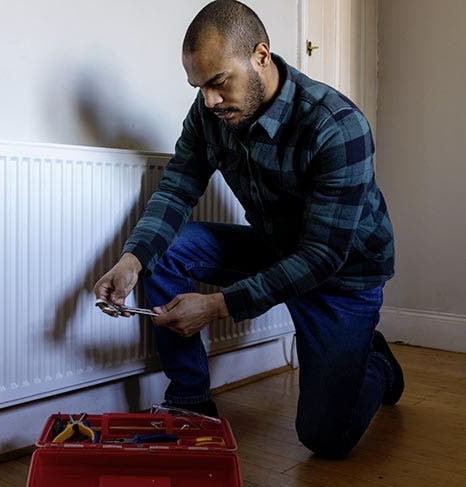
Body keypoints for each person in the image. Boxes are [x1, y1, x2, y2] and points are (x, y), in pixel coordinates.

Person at [93, 0, 404, 458]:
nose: (210, 101)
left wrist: (218, 305)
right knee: (165, 250)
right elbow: (177, 190)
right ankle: (190, 400)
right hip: (276, 248)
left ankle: (374, 362)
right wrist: (131, 261)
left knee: (325, 438)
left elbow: (321, 256)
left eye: (219, 83)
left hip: (342, 277)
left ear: (260, 56)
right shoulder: (209, 114)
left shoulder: (337, 125)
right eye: (199, 87)